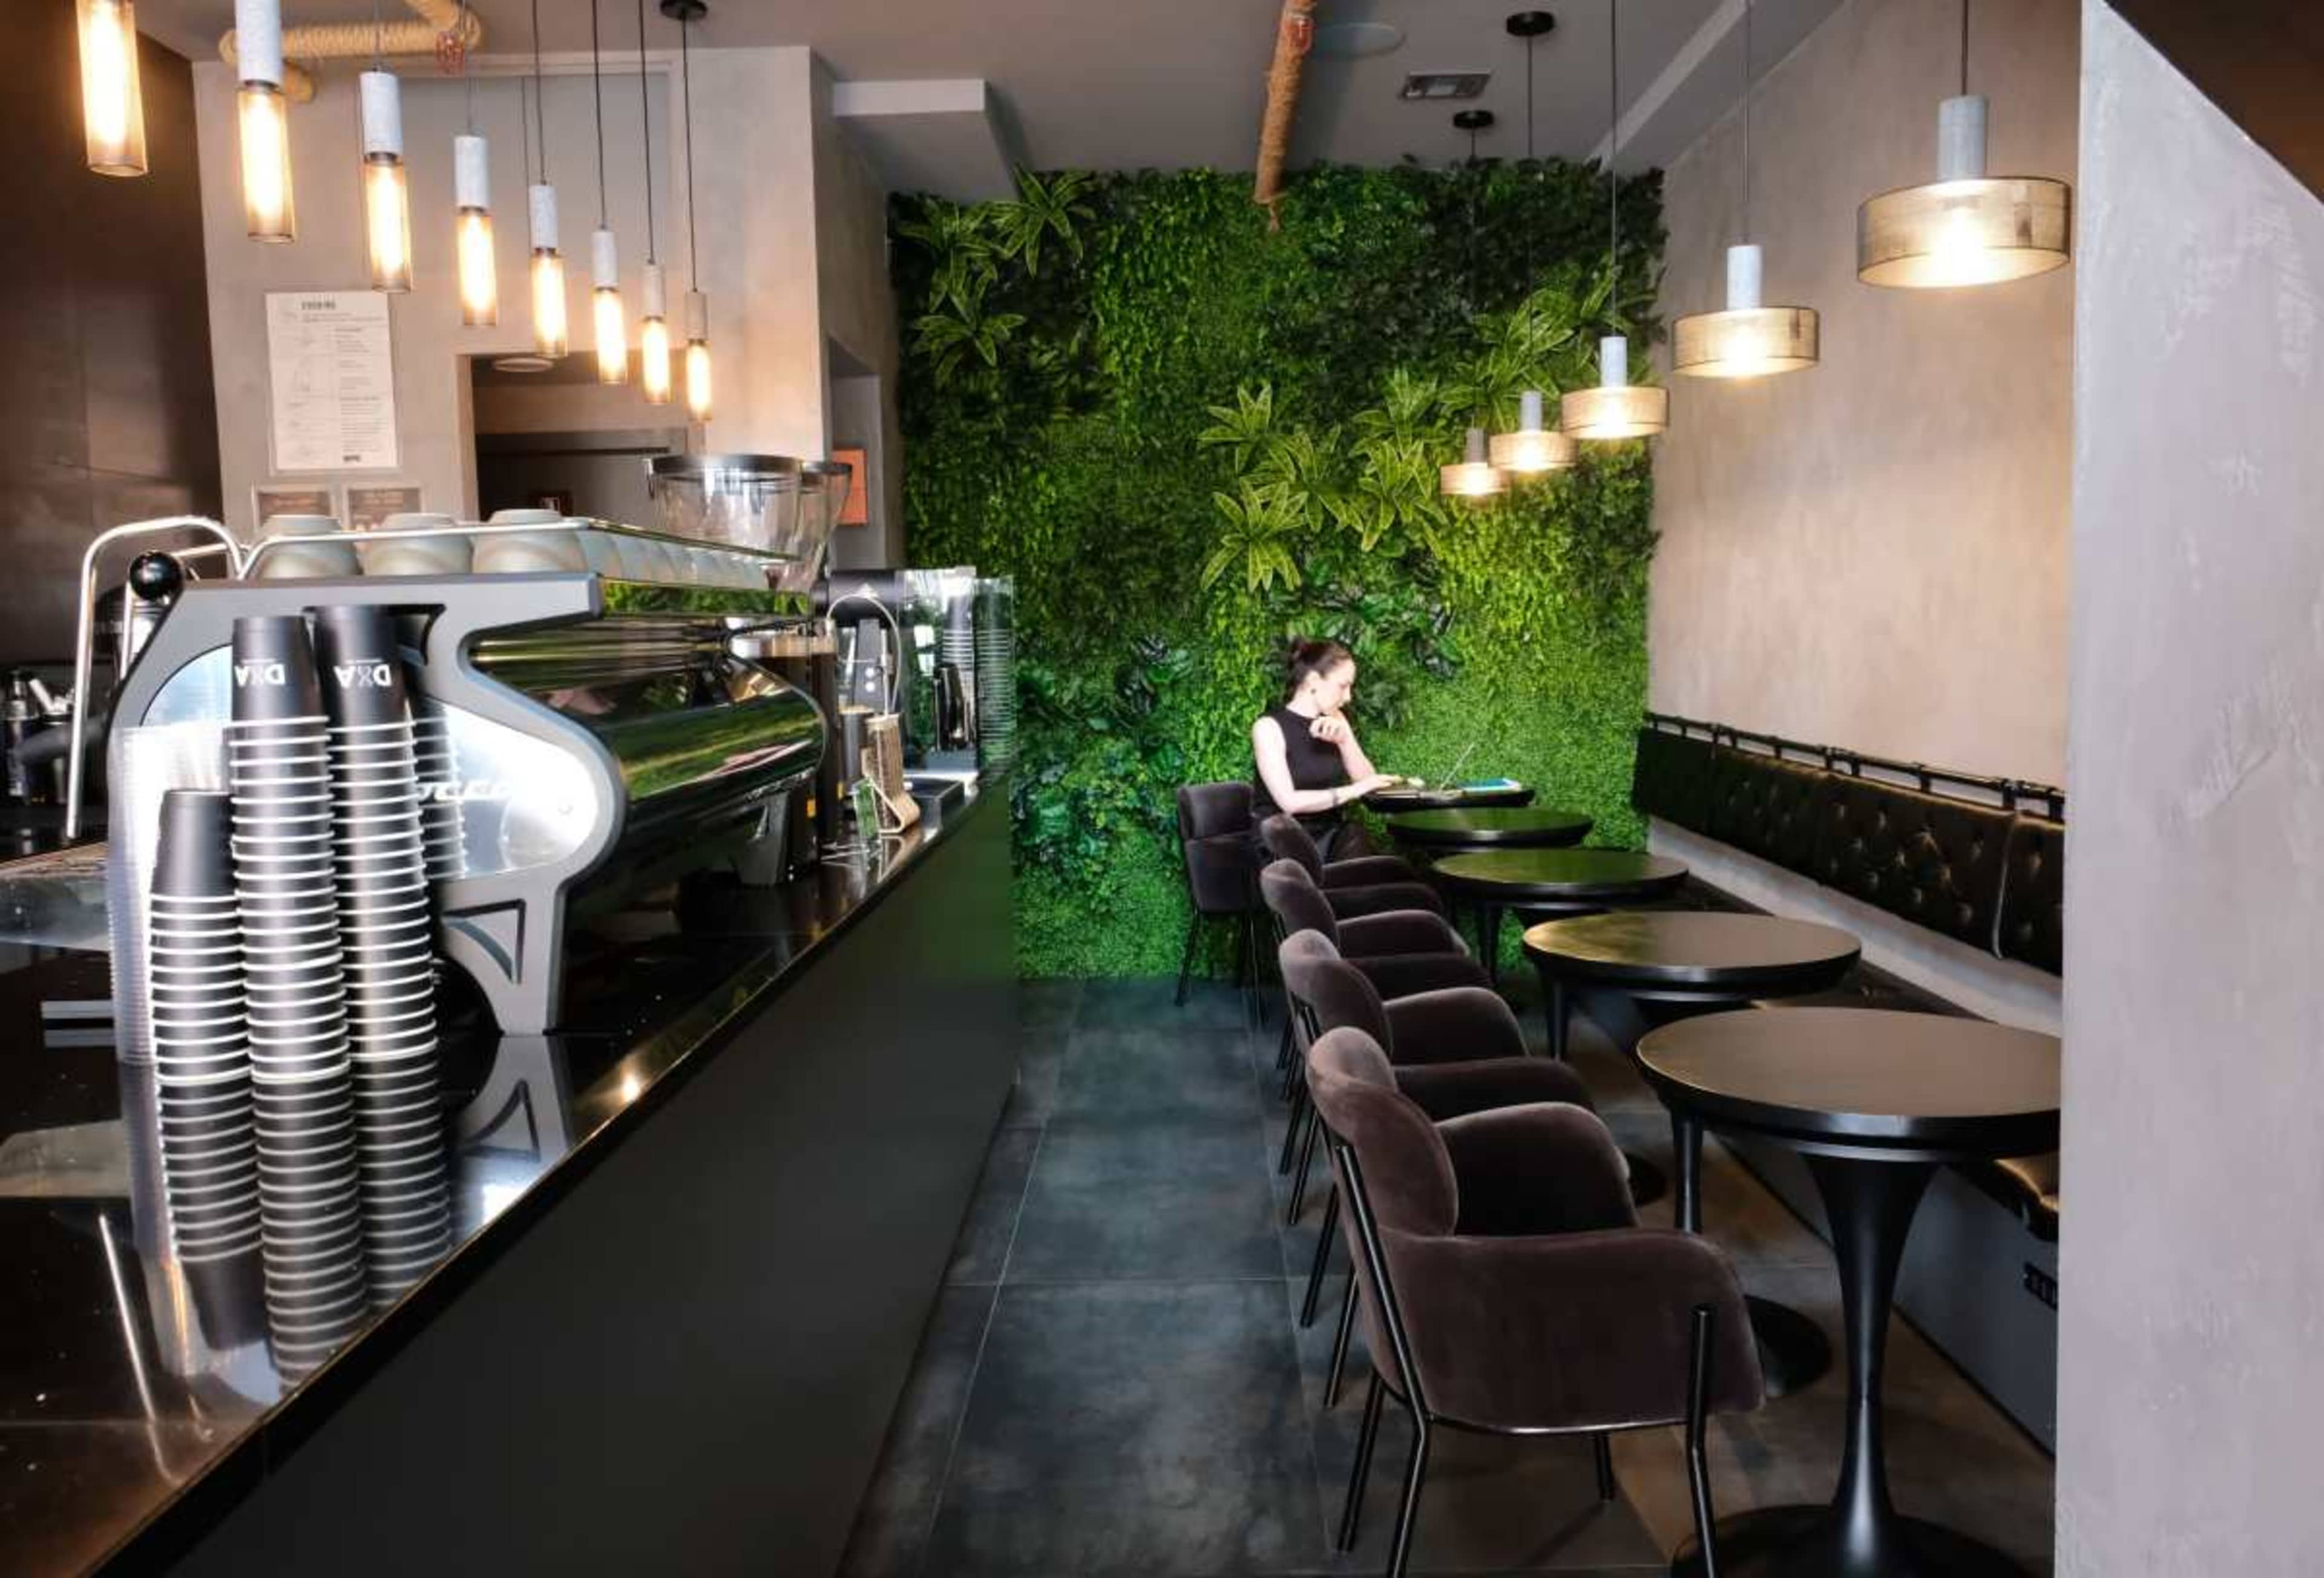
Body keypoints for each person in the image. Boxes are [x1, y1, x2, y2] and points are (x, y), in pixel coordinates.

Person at [1251, 638, 1403, 859]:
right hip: (1283, 844)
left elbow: (1368, 781)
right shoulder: (1268, 728)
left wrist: (1344, 741)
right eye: (1343, 686)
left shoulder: (1336, 718)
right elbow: (1289, 802)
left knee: (1361, 845)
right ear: (1314, 680)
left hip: (1331, 837)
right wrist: (1353, 791)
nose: (1348, 697)